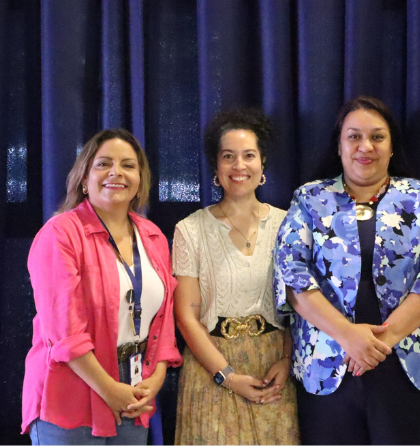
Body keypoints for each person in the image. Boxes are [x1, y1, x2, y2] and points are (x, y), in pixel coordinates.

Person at [275, 95, 420, 445]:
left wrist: (381, 342)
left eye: (377, 136)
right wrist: (347, 335)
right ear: (339, 146)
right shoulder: (310, 199)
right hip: (329, 364)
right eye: (354, 136)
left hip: (405, 362)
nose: (365, 147)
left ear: (391, 147)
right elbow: (291, 272)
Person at [22, 129, 182, 445]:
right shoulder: (60, 235)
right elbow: (65, 333)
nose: (116, 173)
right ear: (84, 178)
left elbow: (163, 322)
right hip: (71, 390)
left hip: (135, 390)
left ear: (140, 179)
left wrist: (156, 380)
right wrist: (110, 390)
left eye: (128, 165)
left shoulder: (153, 237)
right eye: (104, 164)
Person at [172, 108, 299, 445]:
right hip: (211, 367)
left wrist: (286, 360)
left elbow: (297, 306)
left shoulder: (289, 225)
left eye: (248, 156)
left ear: (262, 166)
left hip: (272, 369)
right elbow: (186, 315)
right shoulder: (190, 230)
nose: (239, 166)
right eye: (228, 157)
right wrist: (226, 376)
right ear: (216, 168)